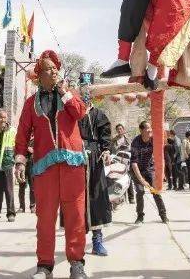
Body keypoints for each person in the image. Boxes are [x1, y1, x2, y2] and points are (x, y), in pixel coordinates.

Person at [14, 51, 89, 279]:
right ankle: (44, 266)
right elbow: (22, 133)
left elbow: (80, 113)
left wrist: (65, 92)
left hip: (72, 166)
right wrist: (20, 160)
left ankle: (76, 264)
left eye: (56, 67)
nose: (54, 71)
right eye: (48, 68)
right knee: (45, 219)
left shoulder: (69, 95)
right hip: (45, 169)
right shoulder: (30, 103)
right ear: (39, 75)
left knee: (76, 216)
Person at [78, 87, 112, 256]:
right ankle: (77, 242)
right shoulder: (72, 113)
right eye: (81, 96)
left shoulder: (99, 115)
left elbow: (105, 137)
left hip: (94, 160)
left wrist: (105, 150)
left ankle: (97, 241)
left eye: (87, 96)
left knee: (96, 197)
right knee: (76, 199)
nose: (84, 99)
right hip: (74, 156)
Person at [129, 120, 167, 225]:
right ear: (141, 130)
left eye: (150, 127)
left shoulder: (153, 140)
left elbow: (160, 154)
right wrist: (142, 180)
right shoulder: (136, 142)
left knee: (155, 191)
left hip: (149, 169)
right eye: (147, 128)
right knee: (140, 191)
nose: (150, 130)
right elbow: (134, 164)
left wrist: (161, 172)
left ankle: (163, 215)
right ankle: (140, 216)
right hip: (137, 171)